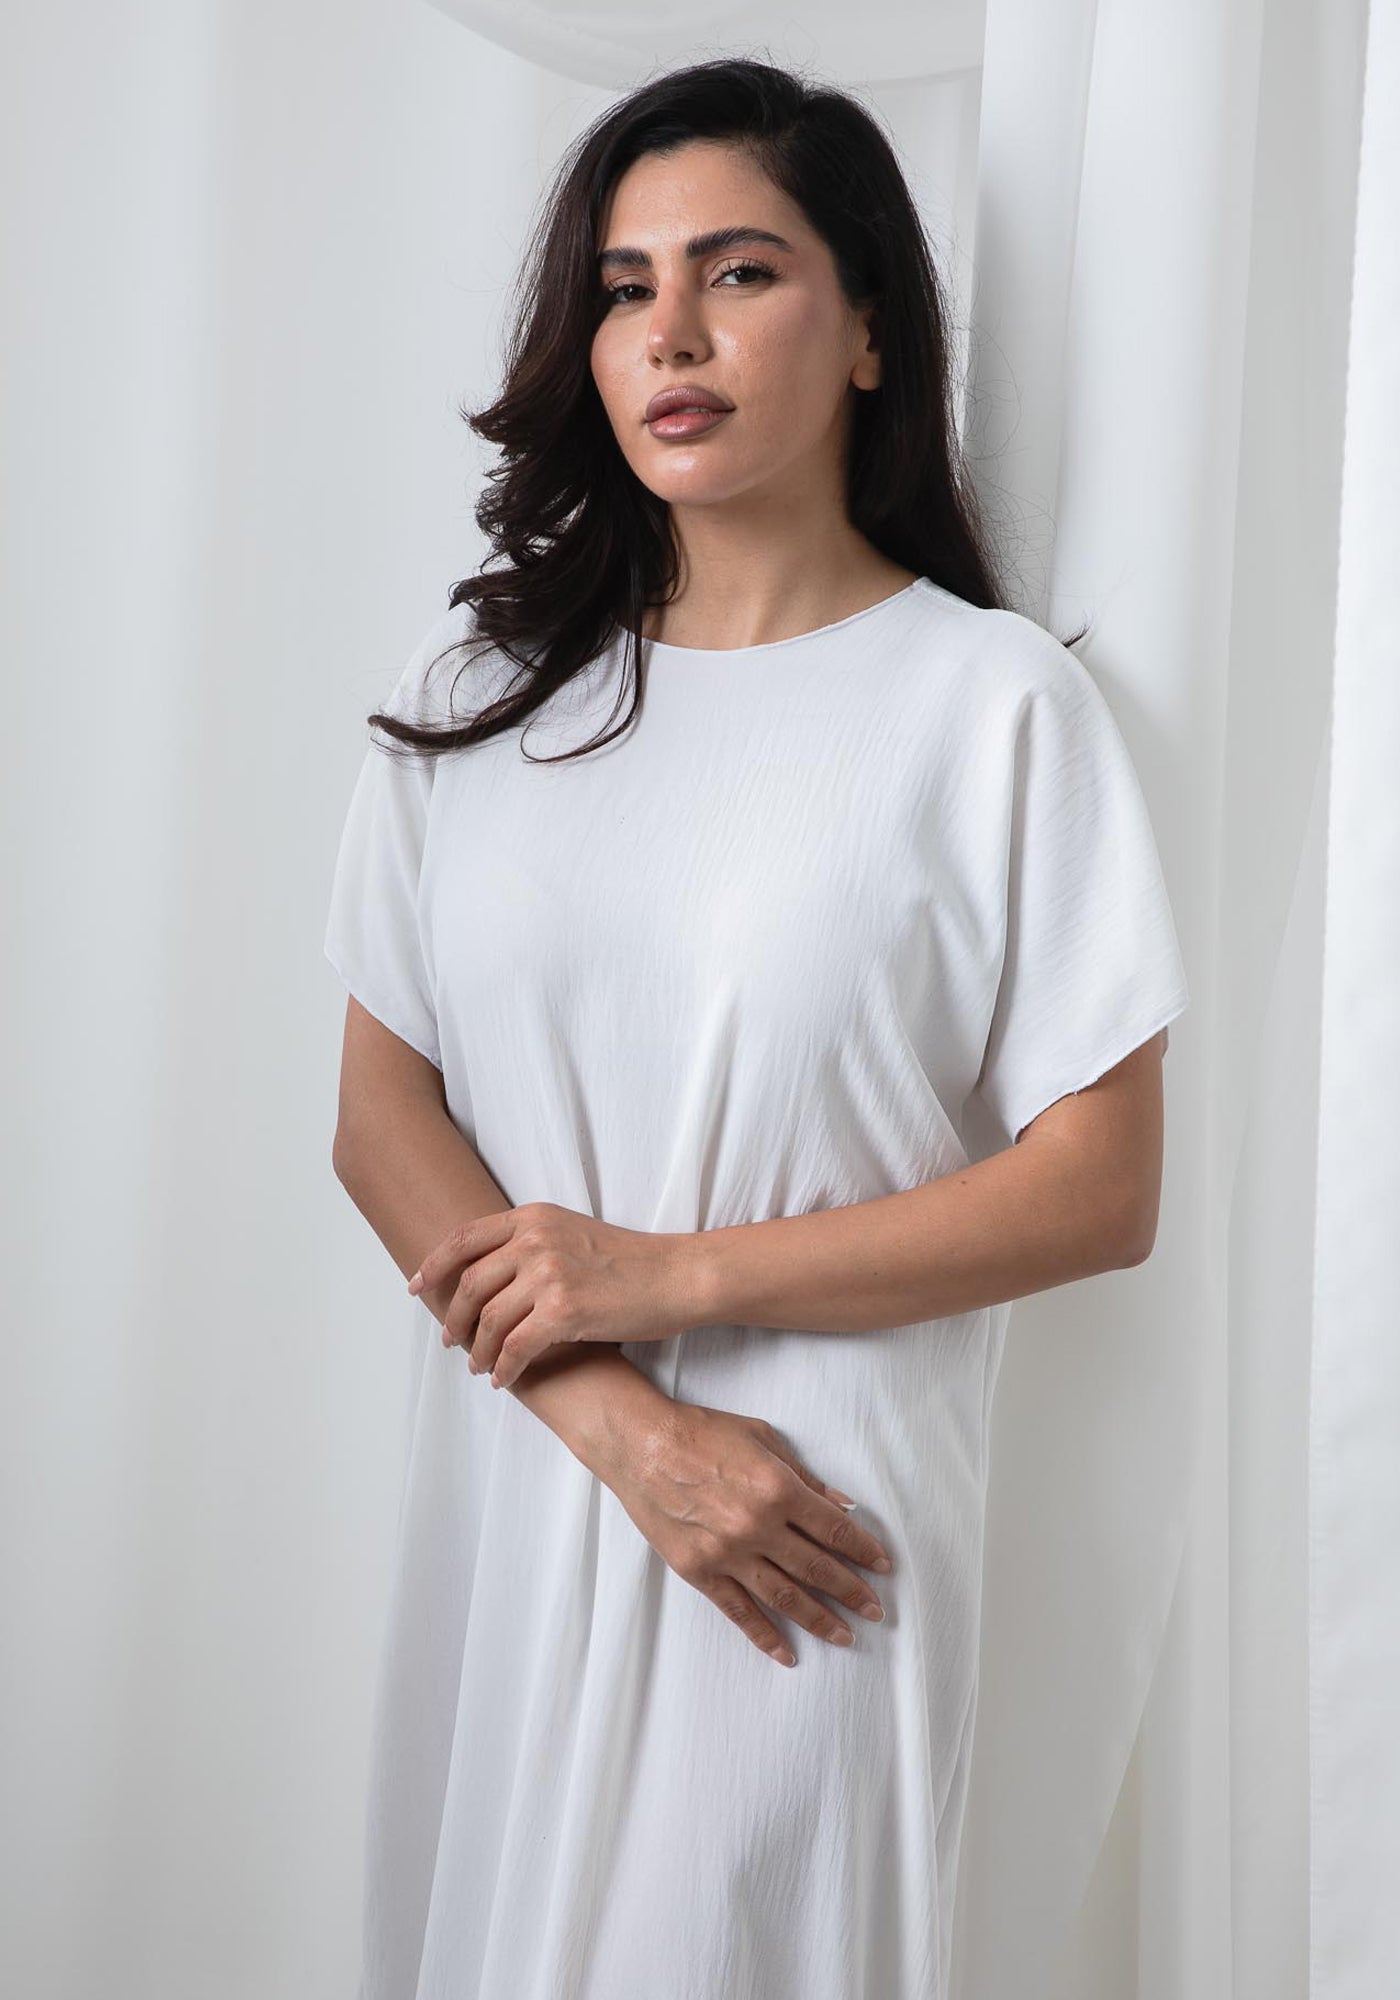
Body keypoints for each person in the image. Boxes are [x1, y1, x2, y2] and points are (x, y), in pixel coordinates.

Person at [324, 55, 1189, 2000]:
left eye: (739, 271)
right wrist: (624, 1423)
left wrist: (662, 1273)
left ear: (872, 329)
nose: (672, 333)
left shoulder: (992, 708)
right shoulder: (481, 697)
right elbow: (381, 1120)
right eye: (624, 286)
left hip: (800, 1542)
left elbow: (1098, 1186)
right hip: (531, 1491)